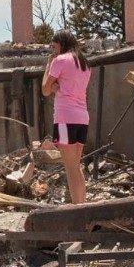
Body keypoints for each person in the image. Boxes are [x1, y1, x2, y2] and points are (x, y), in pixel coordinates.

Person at [42, 29, 91, 205]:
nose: (52, 51)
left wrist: (48, 66)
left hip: (65, 117)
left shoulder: (59, 60)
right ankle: (82, 205)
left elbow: (45, 90)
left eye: (54, 47)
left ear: (61, 44)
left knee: (71, 169)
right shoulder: (84, 63)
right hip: (82, 117)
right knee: (76, 167)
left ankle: (79, 209)